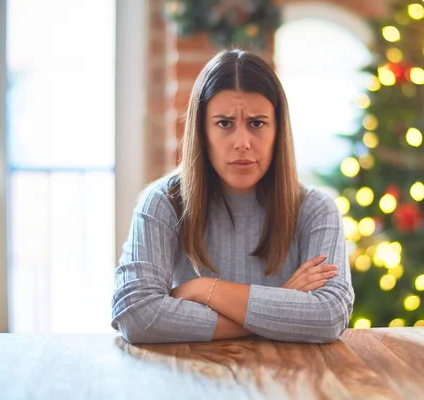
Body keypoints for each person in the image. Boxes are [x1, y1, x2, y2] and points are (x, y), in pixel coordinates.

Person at [111, 48, 355, 344]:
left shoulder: (315, 209)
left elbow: (330, 316)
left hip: (288, 385)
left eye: (257, 123)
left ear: (278, 130)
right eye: (225, 123)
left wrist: (204, 289)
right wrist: (281, 306)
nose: (242, 143)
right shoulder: (162, 202)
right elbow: (136, 315)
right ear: (202, 131)